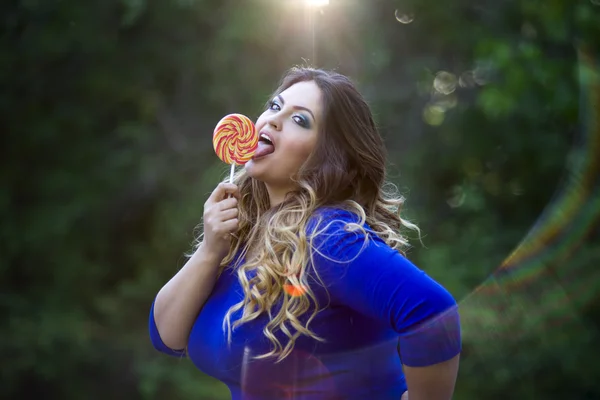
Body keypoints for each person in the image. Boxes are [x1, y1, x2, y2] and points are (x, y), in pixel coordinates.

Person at [149, 67, 461, 400]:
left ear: (330, 157)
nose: (272, 120)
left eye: (300, 120)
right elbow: (167, 337)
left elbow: (433, 313)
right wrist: (209, 251)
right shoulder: (244, 236)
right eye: (273, 106)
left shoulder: (326, 237)